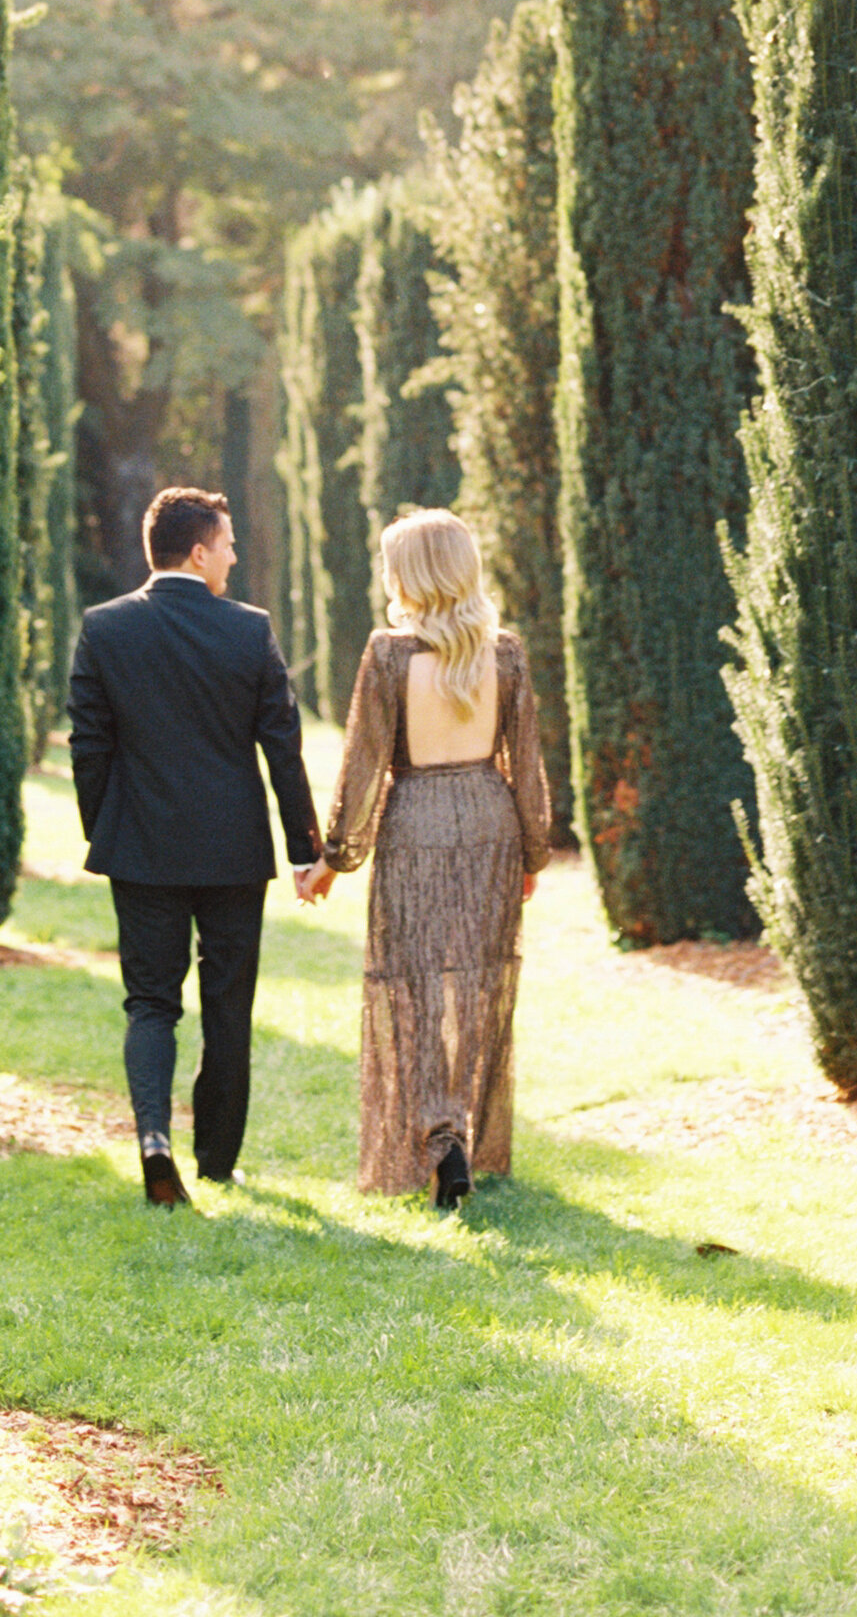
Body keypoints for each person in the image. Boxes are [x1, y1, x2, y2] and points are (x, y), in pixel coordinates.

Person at [66, 487, 320, 1207]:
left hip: (140, 848)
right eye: (229, 545)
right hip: (233, 852)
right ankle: (214, 1161)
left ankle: (153, 1140)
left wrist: (106, 828)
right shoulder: (249, 630)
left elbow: (90, 744)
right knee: (228, 1004)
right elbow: (283, 747)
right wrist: (306, 848)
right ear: (200, 551)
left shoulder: (105, 628)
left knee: (150, 1002)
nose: (235, 558)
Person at [297, 508, 551, 1206]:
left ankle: (439, 1138)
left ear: (411, 575)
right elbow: (525, 766)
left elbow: (363, 768)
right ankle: (460, 1133)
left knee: (409, 987)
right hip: (491, 824)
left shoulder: (388, 654)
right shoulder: (505, 653)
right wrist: (533, 851)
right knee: (474, 986)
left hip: (414, 825)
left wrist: (334, 859)